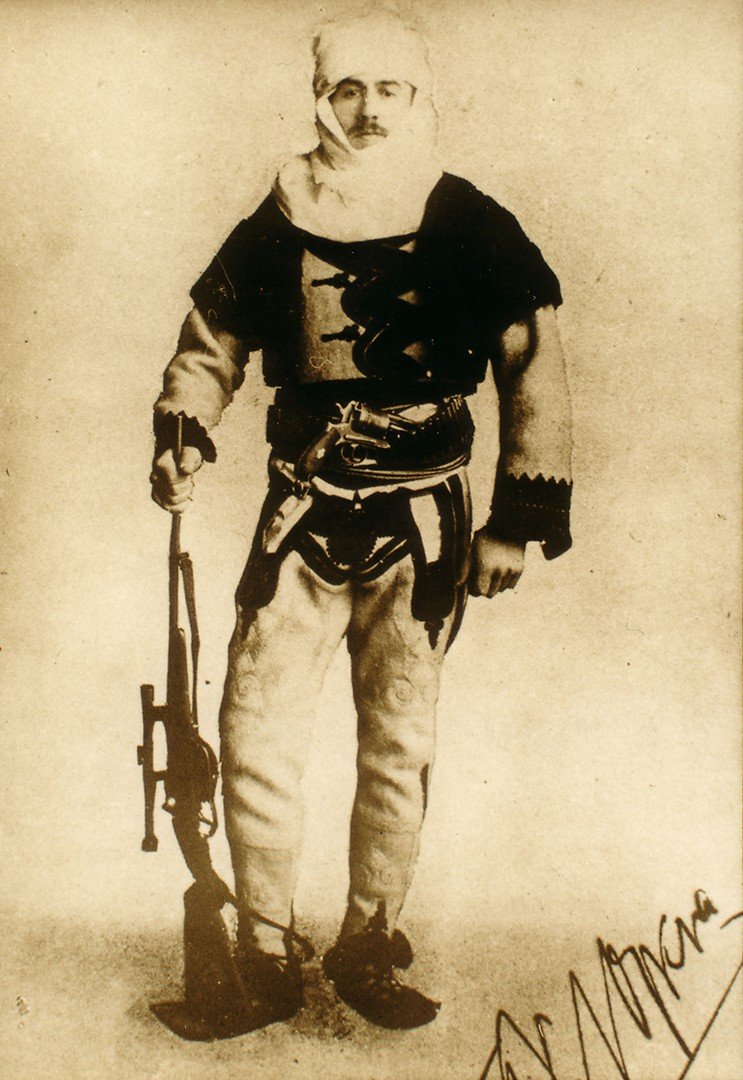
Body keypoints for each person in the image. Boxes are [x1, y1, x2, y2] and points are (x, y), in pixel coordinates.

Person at [150, 13, 572, 1035]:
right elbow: (213, 336)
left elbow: (532, 362)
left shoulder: (467, 220)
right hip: (300, 516)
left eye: (389, 89)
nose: (368, 109)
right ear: (320, 98)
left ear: (417, 98)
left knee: (398, 738)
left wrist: (515, 521)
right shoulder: (278, 215)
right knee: (255, 731)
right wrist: (184, 432)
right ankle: (261, 952)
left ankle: (368, 943)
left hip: (421, 524)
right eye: (347, 89)